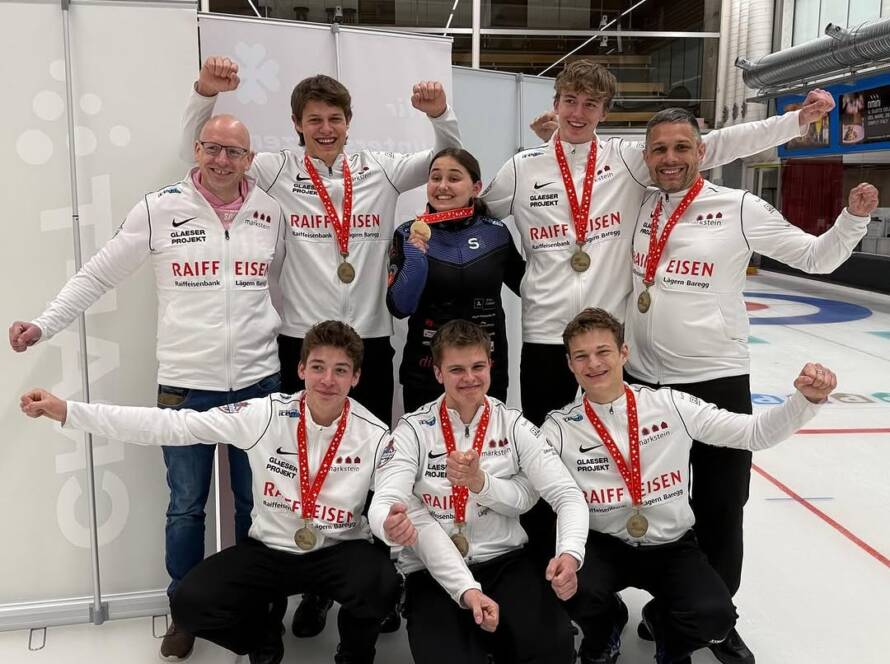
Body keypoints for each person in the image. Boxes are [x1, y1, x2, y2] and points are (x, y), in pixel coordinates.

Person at [9, 115, 284, 661]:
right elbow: (98, 274)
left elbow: (288, 286)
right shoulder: (159, 209)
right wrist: (44, 325)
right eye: (212, 148)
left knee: (257, 508)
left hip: (260, 382)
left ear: (249, 159)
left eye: (234, 152)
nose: (222, 160)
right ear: (197, 149)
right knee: (186, 508)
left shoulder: (270, 211)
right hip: (186, 385)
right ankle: (185, 612)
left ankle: (256, 616)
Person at [620, 107, 876, 664]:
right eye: (659, 149)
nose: (670, 159)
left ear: (702, 152)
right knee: (656, 504)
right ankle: (669, 608)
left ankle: (717, 620)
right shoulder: (639, 203)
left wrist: (852, 221)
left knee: (721, 507)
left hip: (715, 380)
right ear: (647, 156)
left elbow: (816, 258)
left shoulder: (739, 207)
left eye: (682, 147)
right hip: (642, 382)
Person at [21, 321, 399, 664]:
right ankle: (263, 639)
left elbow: (390, 497)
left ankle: (354, 655)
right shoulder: (265, 414)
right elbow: (172, 425)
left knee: (383, 584)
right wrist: (69, 411)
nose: (327, 380)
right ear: (301, 369)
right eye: (318, 367)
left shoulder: (374, 434)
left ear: (356, 377)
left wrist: (389, 523)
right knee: (190, 604)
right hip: (271, 551)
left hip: (336, 550)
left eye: (340, 370)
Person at [482, 59, 835, 426]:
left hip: (611, 335)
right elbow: (478, 218)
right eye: (570, 101)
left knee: (613, 437)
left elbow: (718, 145)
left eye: (591, 104)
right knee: (543, 434)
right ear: (556, 104)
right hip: (545, 333)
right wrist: (521, 279)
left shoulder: (626, 160)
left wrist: (794, 121)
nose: (578, 113)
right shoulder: (522, 168)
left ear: (604, 112)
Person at [541, 308, 837, 664]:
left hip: (670, 545)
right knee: (567, 588)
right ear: (570, 364)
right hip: (605, 544)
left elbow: (752, 433)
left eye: (603, 351)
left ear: (624, 353)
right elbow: (537, 490)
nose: (593, 363)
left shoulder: (669, 404)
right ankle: (605, 629)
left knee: (716, 616)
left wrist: (805, 401)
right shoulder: (558, 428)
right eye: (581, 356)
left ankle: (668, 633)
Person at [181, 56, 462, 426]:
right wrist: (205, 93)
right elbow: (198, 153)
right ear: (297, 124)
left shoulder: (380, 169)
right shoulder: (277, 169)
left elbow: (450, 159)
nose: (325, 129)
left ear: (348, 122)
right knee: (299, 448)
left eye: (334, 119)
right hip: (302, 339)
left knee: (371, 446)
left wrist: (440, 114)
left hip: (369, 339)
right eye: (314, 120)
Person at [368, 319, 589, 664]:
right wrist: (387, 523)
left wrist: (570, 554)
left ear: (490, 366)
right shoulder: (413, 430)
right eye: (456, 369)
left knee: (555, 649)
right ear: (438, 373)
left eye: (477, 367)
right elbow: (386, 499)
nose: (469, 378)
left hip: (506, 561)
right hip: (433, 571)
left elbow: (568, 495)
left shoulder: (514, 424)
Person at [387, 148, 524, 409]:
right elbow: (400, 307)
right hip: (426, 371)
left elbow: (526, 286)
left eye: (453, 178)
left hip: (485, 371)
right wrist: (415, 258)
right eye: (435, 177)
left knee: (488, 436)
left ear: (476, 188)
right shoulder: (407, 234)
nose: (442, 186)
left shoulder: (496, 233)